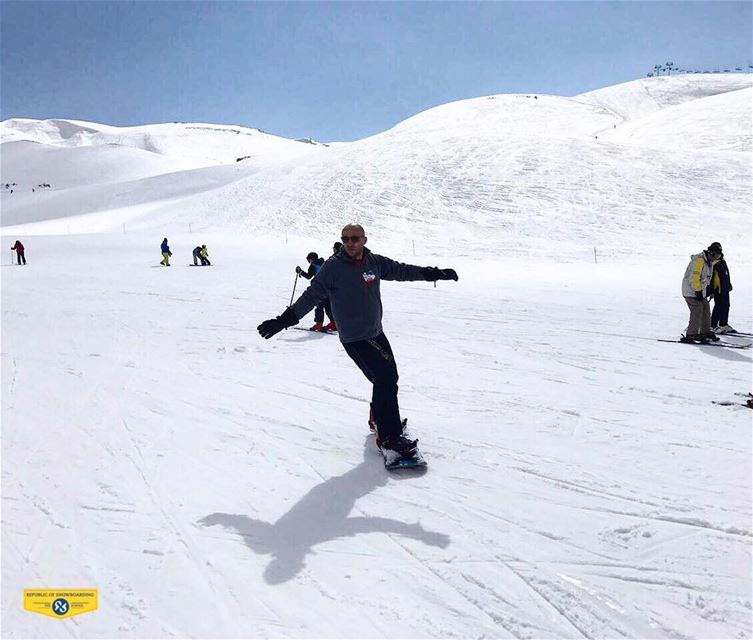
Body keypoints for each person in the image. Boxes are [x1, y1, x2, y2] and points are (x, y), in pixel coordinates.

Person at [257, 224, 458, 461]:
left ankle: (380, 418)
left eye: (354, 238)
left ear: (364, 239)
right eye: (345, 239)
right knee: (384, 378)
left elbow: (402, 270)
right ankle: (389, 437)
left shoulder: (374, 261)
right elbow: (311, 296)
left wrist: (433, 273)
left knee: (387, 377)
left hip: (375, 332)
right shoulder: (333, 267)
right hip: (356, 336)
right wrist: (284, 320)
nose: (350, 243)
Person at [681, 243, 722, 343]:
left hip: (700, 291)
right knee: (697, 310)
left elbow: (706, 278)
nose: (716, 258)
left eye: (719, 256)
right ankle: (692, 334)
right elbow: (694, 278)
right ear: (710, 253)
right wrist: (698, 290)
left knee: (706, 309)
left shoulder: (709, 262)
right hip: (691, 291)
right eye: (716, 256)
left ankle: (705, 331)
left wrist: (708, 290)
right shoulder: (699, 261)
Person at [295, 251, 335, 331]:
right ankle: (334, 323)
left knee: (319, 307)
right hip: (329, 288)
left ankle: (318, 324)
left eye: (308, 260)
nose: (309, 262)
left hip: (320, 289)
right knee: (328, 307)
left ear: (311, 259)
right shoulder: (324, 263)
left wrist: (300, 272)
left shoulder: (313, 266)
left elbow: (308, 276)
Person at [710, 245, 734, 333]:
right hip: (718, 289)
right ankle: (713, 325)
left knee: (726, 305)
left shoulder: (722, 261)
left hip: (725, 288)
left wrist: (728, 286)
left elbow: (726, 274)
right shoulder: (713, 263)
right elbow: (712, 278)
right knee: (718, 306)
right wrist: (712, 290)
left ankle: (723, 324)